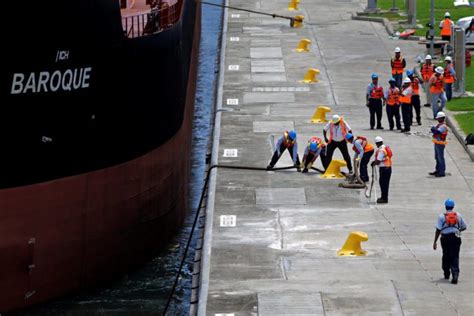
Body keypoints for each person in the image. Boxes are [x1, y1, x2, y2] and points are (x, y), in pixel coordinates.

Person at [433, 198, 467, 284]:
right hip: (456, 238)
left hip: (445, 238)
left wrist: (435, 242)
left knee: (446, 255)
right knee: (455, 256)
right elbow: (464, 227)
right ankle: (455, 274)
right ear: (453, 206)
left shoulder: (441, 216)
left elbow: (438, 229)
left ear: (445, 206)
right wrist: (457, 230)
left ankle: (446, 273)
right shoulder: (458, 215)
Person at [371, 136, 392, 204]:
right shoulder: (385, 147)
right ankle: (384, 197)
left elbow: (378, 161)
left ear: (378, 143)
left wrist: (373, 163)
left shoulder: (381, 150)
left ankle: (384, 198)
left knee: (383, 184)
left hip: (384, 169)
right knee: (385, 184)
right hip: (388, 168)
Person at [430, 111, 448, 177]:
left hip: (440, 143)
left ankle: (441, 172)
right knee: (437, 157)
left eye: (438, 118)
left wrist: (433, 129)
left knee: (440, 158)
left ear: (441, 118)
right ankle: (437, 170)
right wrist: (433, 129)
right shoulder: (439, 125)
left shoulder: (443, 126)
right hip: (437, 143)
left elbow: (436, 131)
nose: (437, 119)